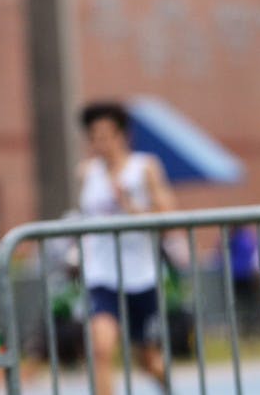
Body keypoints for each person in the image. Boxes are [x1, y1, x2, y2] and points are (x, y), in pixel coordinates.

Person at [77, 101, 175, 395]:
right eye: (94, 136)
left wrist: (131, 208)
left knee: (149, 361)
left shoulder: (144, 167)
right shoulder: (86, 172)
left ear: (122, 136)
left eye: (106, 135)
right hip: (103, 278)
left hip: (142, 279)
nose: (100, 143)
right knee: (101, 349)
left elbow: (170, 217)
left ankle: (168, 387)